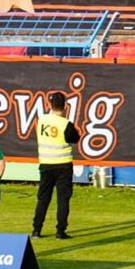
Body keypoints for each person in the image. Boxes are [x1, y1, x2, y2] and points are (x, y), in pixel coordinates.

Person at [31, 91, 80, 241]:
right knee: (63, 200)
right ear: (65, 105)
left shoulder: (41, 120)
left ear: (49, 104)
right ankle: (60, 231)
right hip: (63, 165)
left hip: (45, 164)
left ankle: (36, 230)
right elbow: (75, 139)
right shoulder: (66, 124)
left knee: (43, 199)